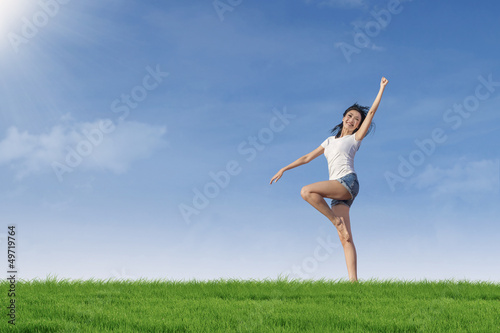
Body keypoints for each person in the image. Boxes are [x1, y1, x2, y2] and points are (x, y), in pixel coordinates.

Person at [269, 77, 389, 282]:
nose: (352, 120)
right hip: (338, 192)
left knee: (306, 191)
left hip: (347, 182)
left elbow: (372, 112)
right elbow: (307, 158)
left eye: (356, 120)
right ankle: (354, 283)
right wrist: (284, 168)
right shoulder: (330, 141)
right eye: (350, 116)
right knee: (345, 238)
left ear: (359, 125)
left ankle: (335, 221)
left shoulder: (355, 138)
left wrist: (381, 88)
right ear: (343, 117)